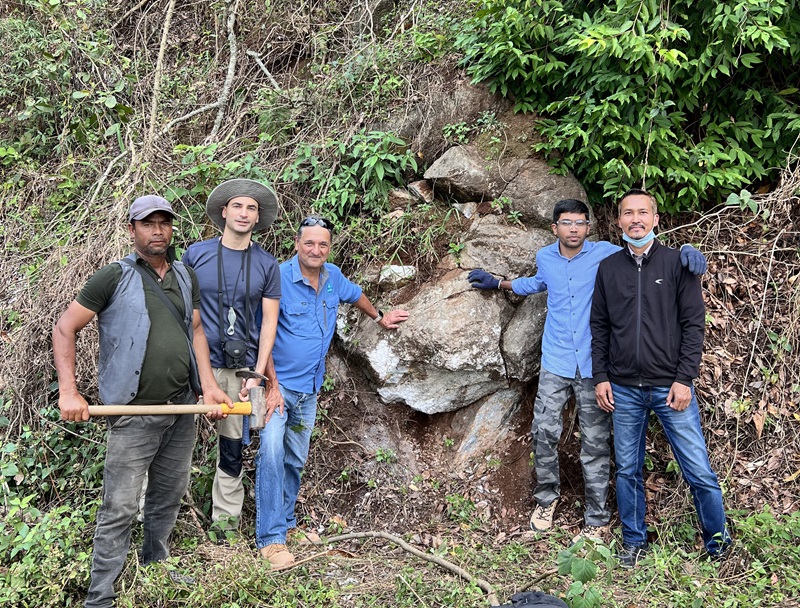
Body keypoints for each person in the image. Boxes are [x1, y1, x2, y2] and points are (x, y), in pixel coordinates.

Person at [467, 198, 707, 543]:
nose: (574, 229)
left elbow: (644, 243)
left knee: (595, 442)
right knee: (545, 432)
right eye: (567, 223)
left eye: (580, 223)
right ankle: (546, 500)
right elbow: (536, 284)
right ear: (555, 228)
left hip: (596, 366)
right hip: (556, 361)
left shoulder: (606, 255)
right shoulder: (545, 257)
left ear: (589, 227)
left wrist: (687, 250)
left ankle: (597, 517)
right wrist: (499, 284)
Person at [52, 195, 232, 608]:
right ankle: (100, 597)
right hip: (133, 413)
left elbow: (197, 330)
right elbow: (65, 328)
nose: (157, 231)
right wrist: (69, 391)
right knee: (119, 506)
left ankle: (156, 565)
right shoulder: (112, 276)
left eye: (163, 223)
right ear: (131, 229)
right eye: (147, 224)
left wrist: (208, 387)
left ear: (172, 228)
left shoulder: (186, 276)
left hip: (180, 410)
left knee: (167, 495)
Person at [256, 216, 410, 568]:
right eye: (309, 243)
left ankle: (288, 524)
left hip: (309, 390)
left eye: (322, 244)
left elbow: (356, 295)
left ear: (329, 248)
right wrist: (272, 388)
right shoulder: (278, 278)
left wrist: (380, 317)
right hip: (277, 391)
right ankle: (270, 540)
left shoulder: (332, 277)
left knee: (295, 459)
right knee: (271, 455)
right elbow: (262, 335)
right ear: (296, 244)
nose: (315, 250)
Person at [590, 188, 731, 567]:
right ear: (618, 221)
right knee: (628, 471)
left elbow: (693, 324)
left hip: (671, 387)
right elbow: (599, 325)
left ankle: (719, 545)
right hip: (622, 388)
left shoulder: (676, 264)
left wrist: (685, 379)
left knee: (698, 471)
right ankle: (634, 544)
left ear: (655, 218)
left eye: (643, 212)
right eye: (627, 213)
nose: (635, 219)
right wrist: (601, 376)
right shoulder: (609, 268)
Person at [182, 179, 282, 538]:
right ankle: (158, 519)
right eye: (237, 206)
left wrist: (257, 374)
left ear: (258, 219)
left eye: (251, 208)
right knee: (173, 437)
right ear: (224, 213)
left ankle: (224, 527)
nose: (244, 213)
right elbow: (182, 312)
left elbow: (269, 323)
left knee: (232, 449)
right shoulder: (196, 255)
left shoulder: (268, 265)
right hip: (196, 365)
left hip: (241, 373)